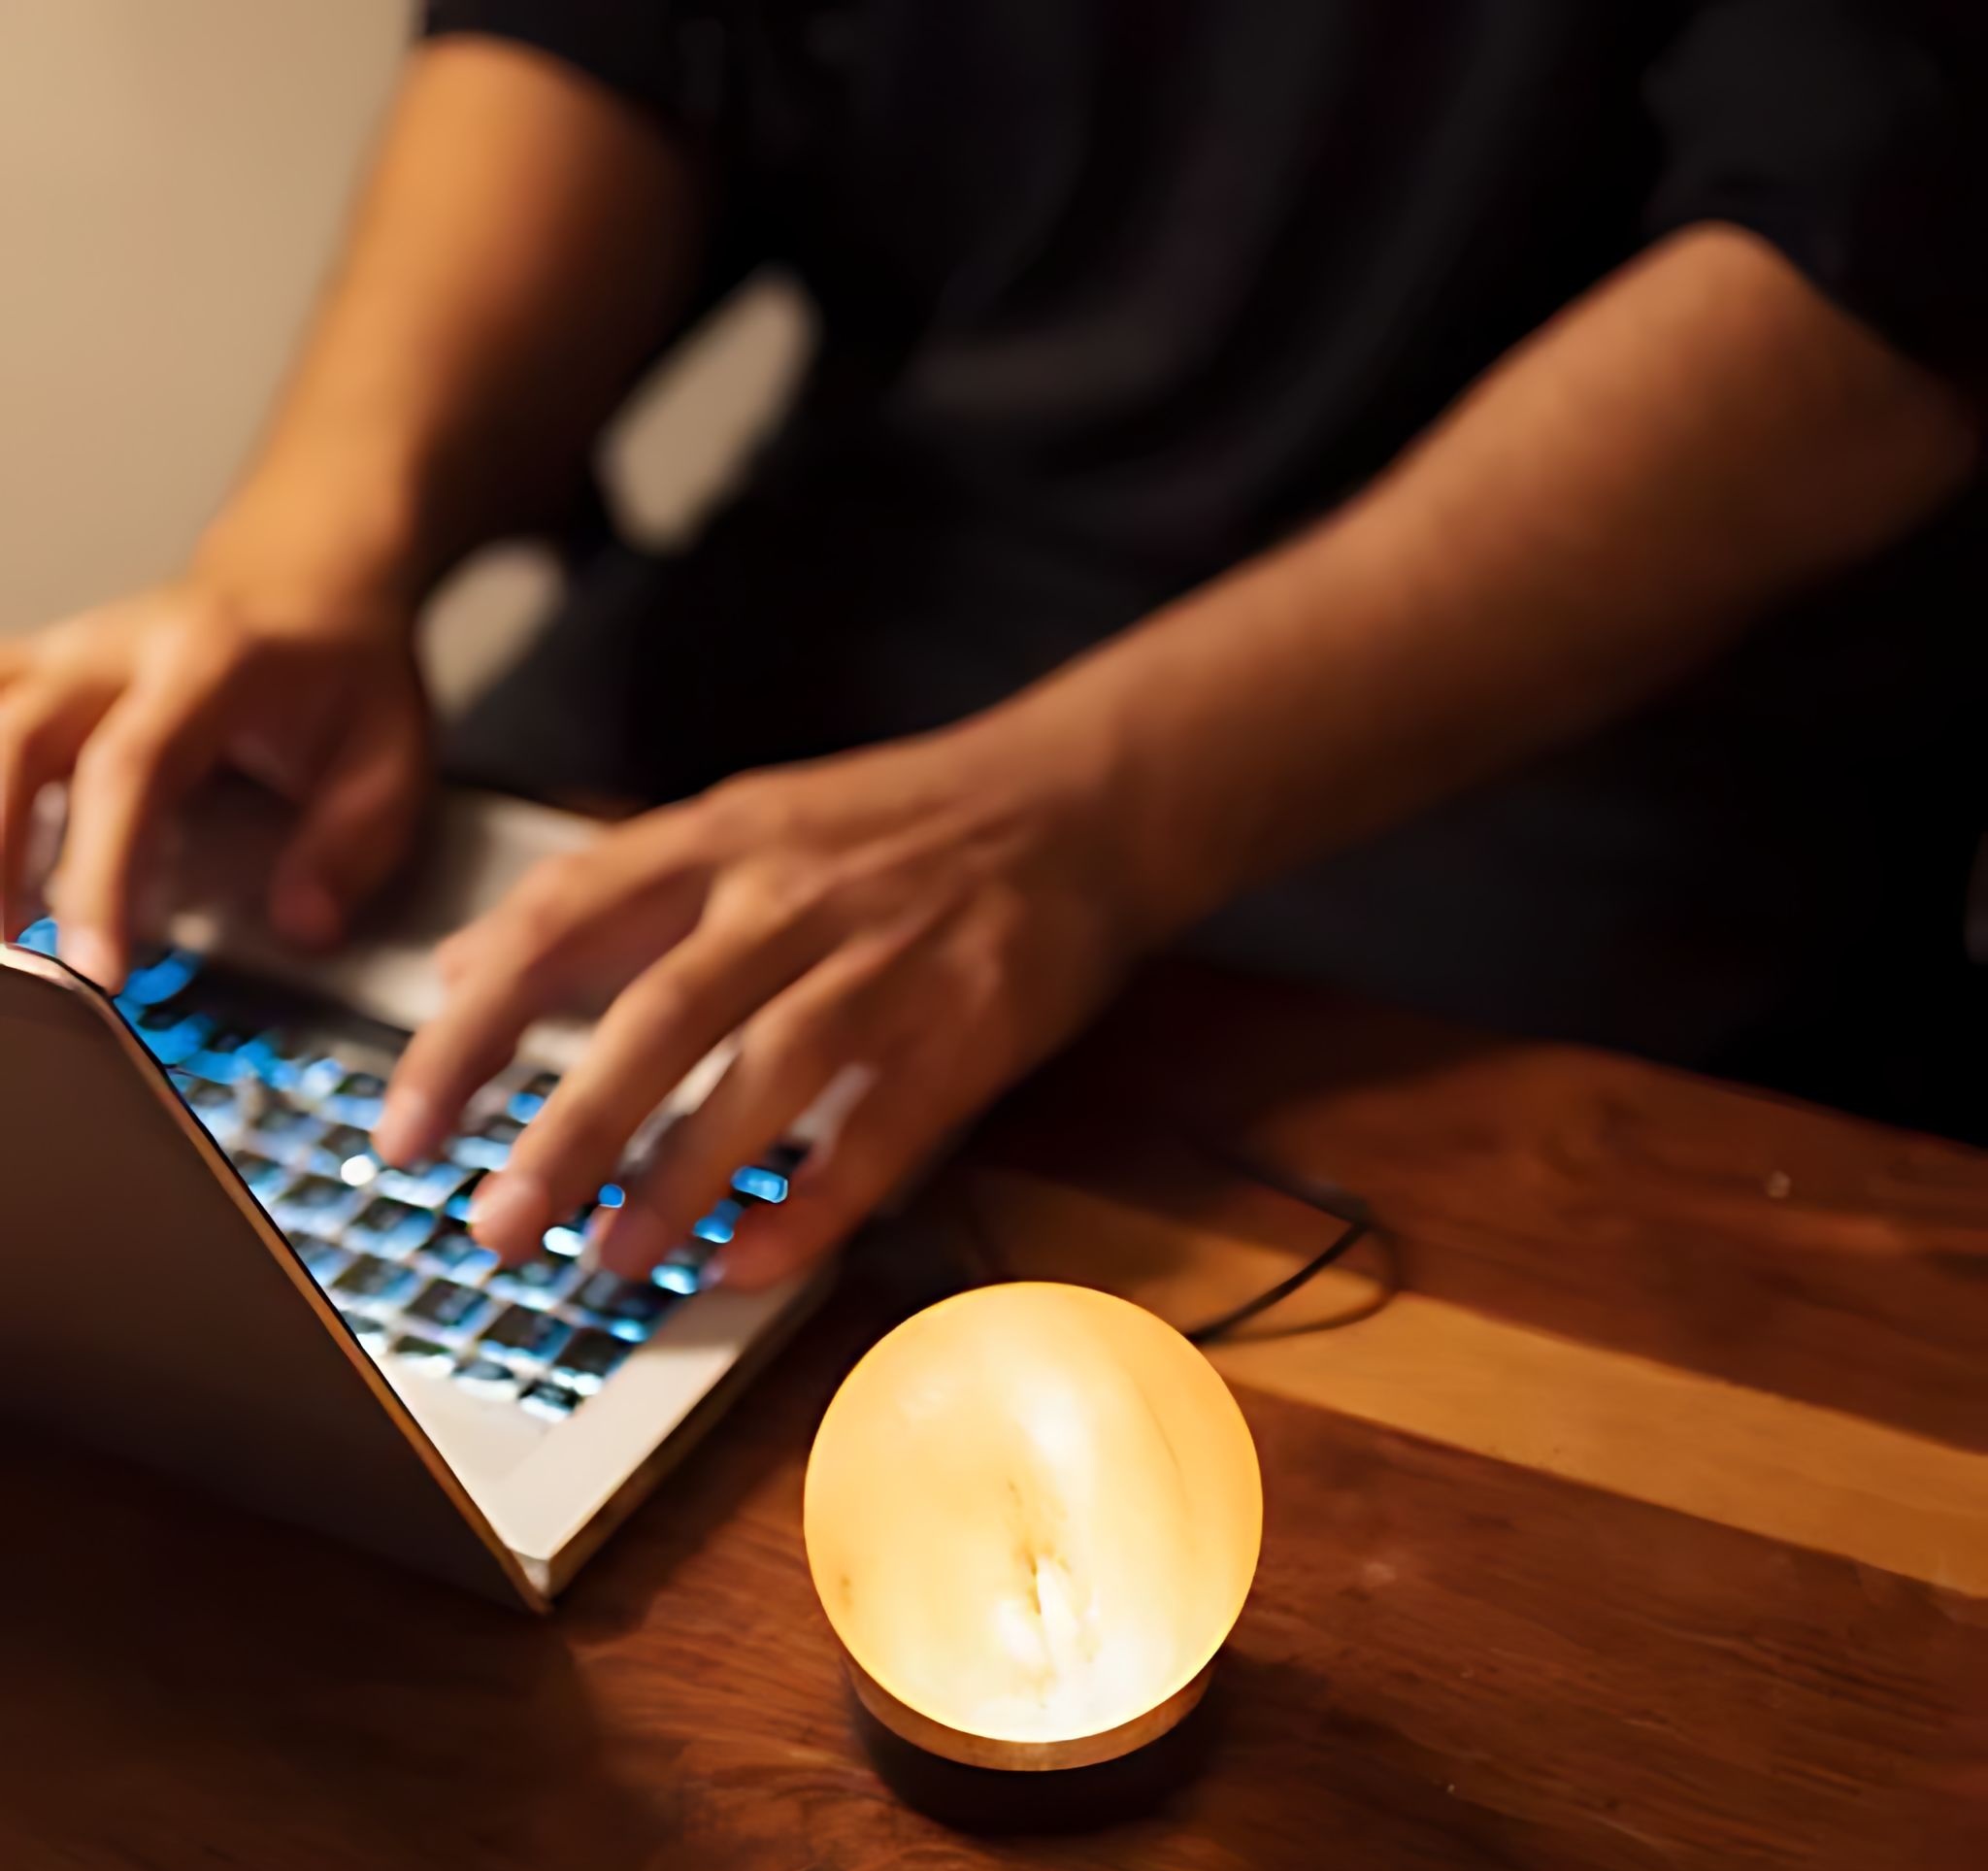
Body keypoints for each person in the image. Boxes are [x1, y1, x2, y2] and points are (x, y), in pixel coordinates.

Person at [0, 4, 1981, 1292]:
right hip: (804, 646)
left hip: (1557, 800)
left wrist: (1086, 823)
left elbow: (1891, 242)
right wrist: (313, 549)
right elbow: (624, 34)